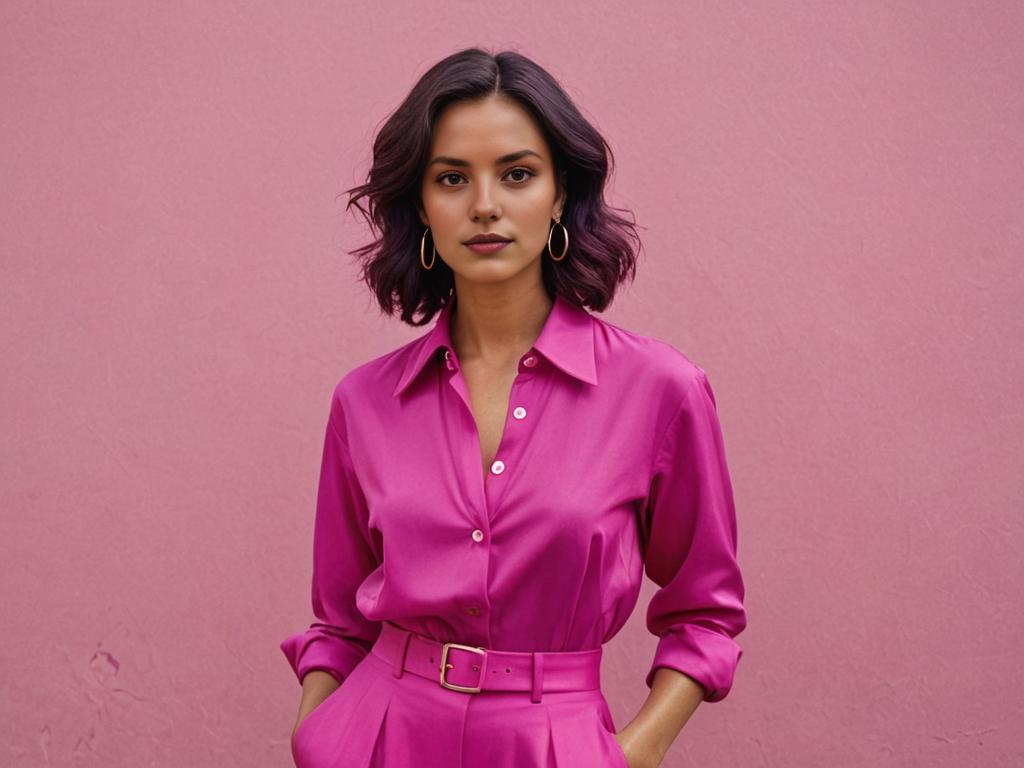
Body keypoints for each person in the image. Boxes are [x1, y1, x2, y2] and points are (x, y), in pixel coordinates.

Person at [280, 47, 747, 768]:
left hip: (553, 744)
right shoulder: (364, 401)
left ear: (561, 194)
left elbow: (707, 610)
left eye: (518, 174)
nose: (485, 204)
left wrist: (635, 752)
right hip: (379, 740)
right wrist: (315, 731)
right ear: (422, 205)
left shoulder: (661, 389)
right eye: (452, 178)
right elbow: (338, 622)